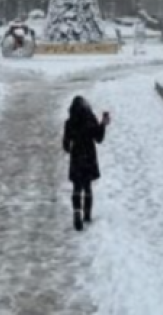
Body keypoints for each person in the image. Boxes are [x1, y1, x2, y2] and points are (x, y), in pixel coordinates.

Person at [62, 96, 110, 232]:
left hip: (77, 157)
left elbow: (66, 145)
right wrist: (103, 124)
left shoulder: (69, 122)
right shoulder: (90, 119)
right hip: (89, 156)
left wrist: (71, 147)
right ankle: (87, 215)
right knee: (88, 186)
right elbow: (99, 138)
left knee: (77, 187)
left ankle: (77, 212)